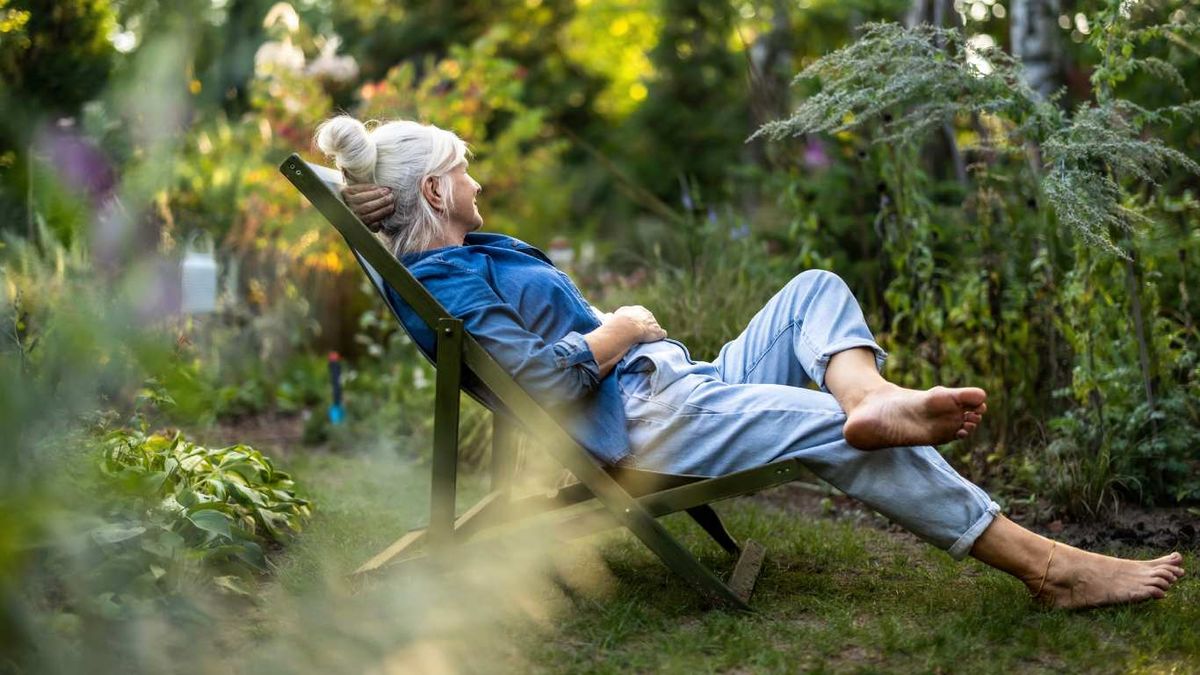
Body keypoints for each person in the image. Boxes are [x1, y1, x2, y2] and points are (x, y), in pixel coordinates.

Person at [315, 115, 1185, 609]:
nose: (478, 180)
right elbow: (541, 381)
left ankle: (872, 395)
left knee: (812, 289)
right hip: (648, 419)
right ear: (434, 190)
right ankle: (1050, 567)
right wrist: (620, 328)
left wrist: (357, 182)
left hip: (676, 383)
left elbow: (353, 193)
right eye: (464, 170)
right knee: (827, 428)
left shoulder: (457, 254)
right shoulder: (449, 281)